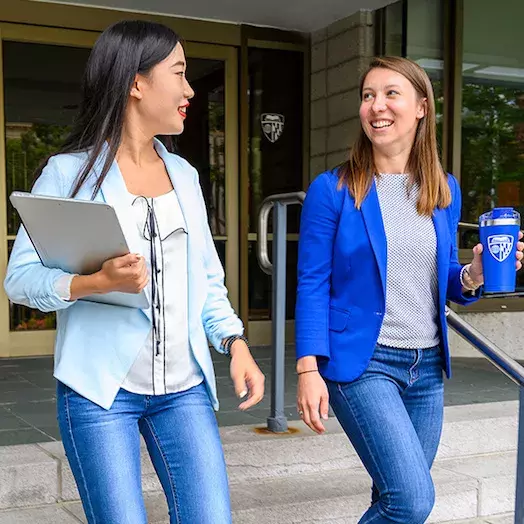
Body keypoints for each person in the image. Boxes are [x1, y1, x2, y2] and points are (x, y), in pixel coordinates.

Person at [4, 20, 264, 524]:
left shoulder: (185, 176)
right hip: (101, 393)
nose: (190, 89)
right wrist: (94, 284)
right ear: (136, 82)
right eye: (180, 73)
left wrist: (236, 345)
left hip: (183, 390)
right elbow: (20, 279)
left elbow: (207, 279)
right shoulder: (68, 173)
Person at [295, 56, 523, 523]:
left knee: (393, 500)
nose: (376, 106)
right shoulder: (333, 188)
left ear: (422, 107)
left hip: (427, 369)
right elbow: (312, 281)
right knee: (411, 500)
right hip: (364, 363)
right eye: (367, 96)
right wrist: (307, 368)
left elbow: (441, 281)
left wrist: (474, 274)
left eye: (390, 94)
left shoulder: (442, 188)